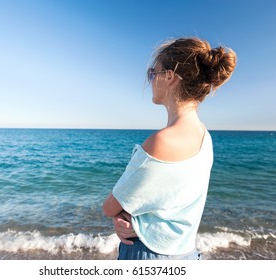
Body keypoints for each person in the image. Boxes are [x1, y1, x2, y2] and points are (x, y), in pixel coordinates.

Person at [102, 37, 237, 260]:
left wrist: (128, 216)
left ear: (170, 76)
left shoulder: (161, 141)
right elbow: (175, 204)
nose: (151, 79)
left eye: (152, 73)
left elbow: (109, 207)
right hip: (187, 254)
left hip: (148, 255)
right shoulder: (205, 137)